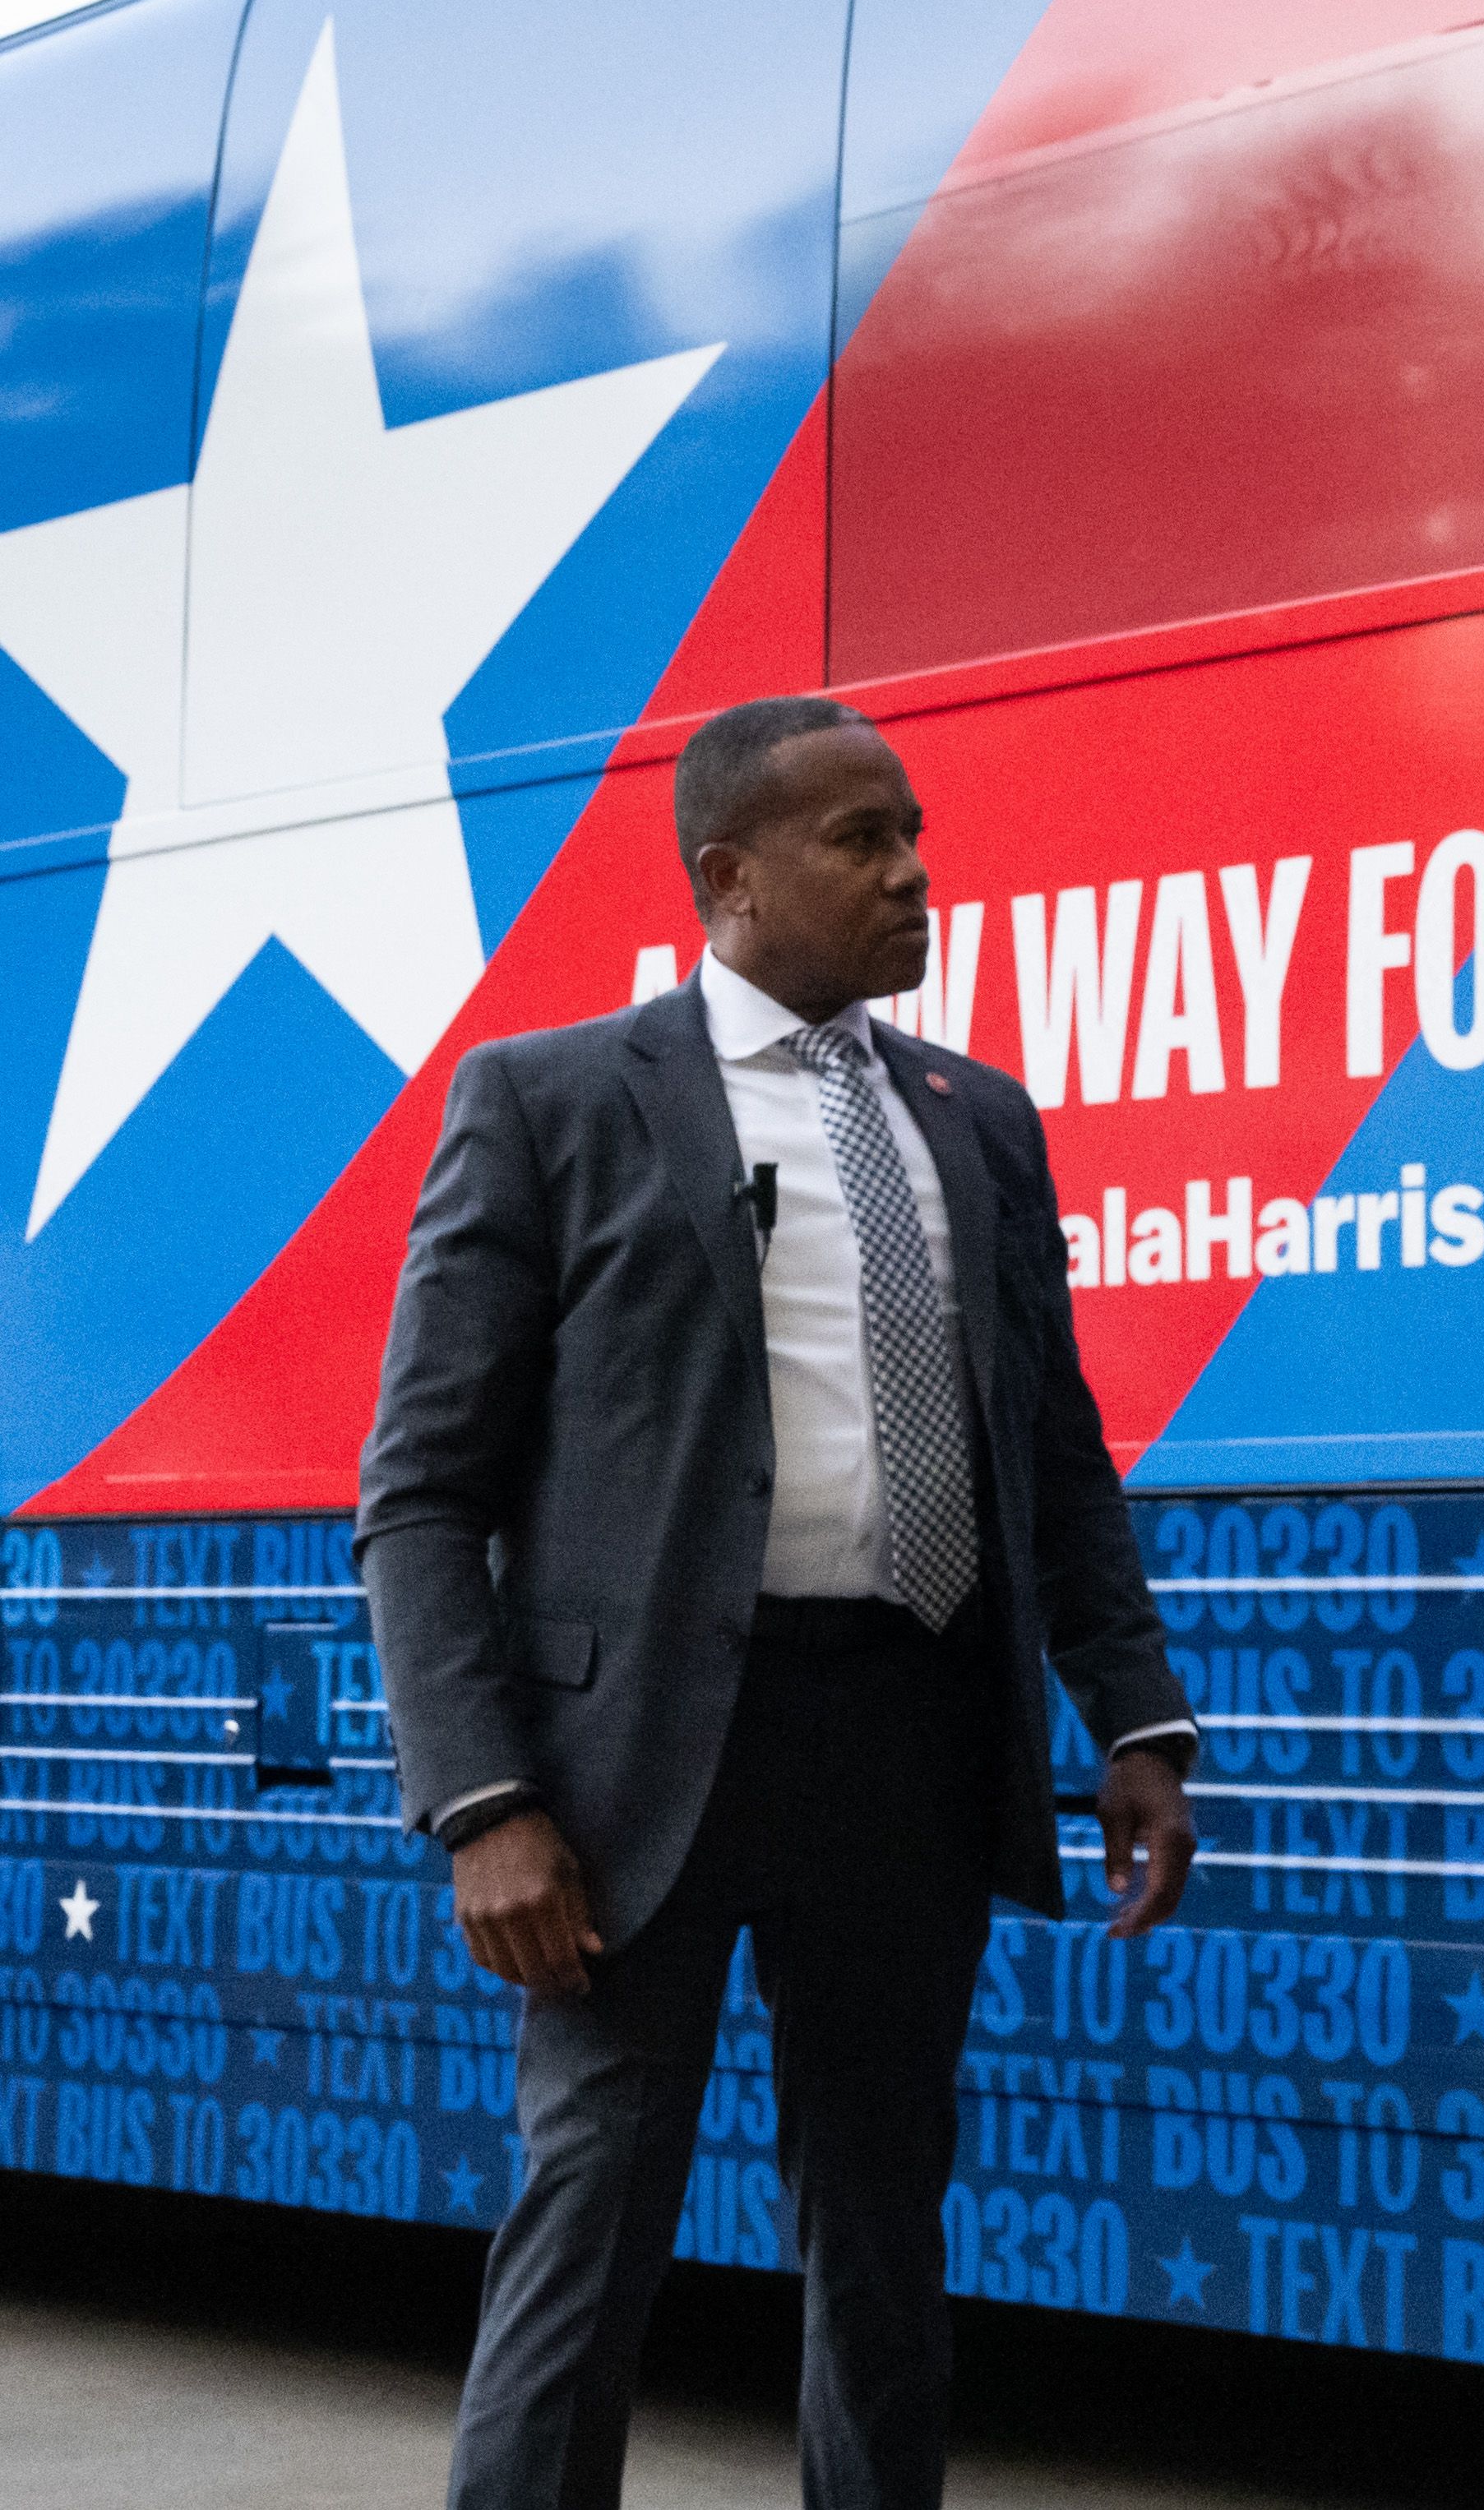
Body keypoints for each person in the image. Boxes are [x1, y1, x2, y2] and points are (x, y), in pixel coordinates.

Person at [356, 696, 1203, 2510]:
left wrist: (1130, 1713)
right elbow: (419, 1489)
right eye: (858, 838)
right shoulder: (553, 1098)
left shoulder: (977, 1119)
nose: (912, 870)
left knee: (888, 2228)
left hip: (904, 1731)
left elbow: (1053, 1451)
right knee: (592, 2218)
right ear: (726, 877)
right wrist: (483, 1799)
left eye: (915, 829)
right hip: (630, 1763)